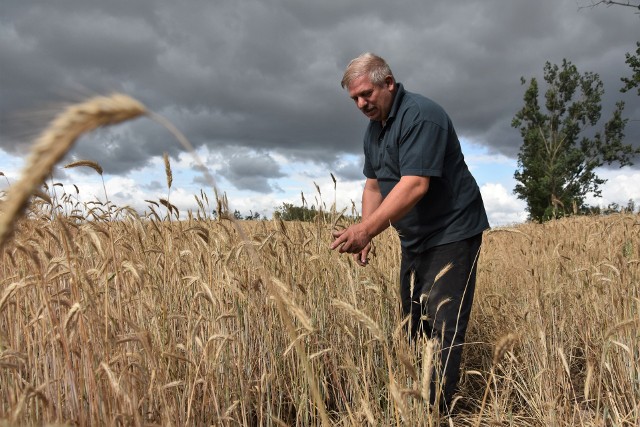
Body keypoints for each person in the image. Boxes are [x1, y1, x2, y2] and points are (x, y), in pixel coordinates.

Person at [330, 52, 489, 408]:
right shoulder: (374, 131)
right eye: (354, 98)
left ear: (389, 83)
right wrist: (366, 234)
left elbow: (416, 184)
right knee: (414, 322)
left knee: (443, 326)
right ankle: (418, 399)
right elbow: (373, 185)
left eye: (366, 93)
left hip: (451, 231)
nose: (360, 103)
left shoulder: (422, 116)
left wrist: (367, 229)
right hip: (414, 238)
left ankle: (438, 411)